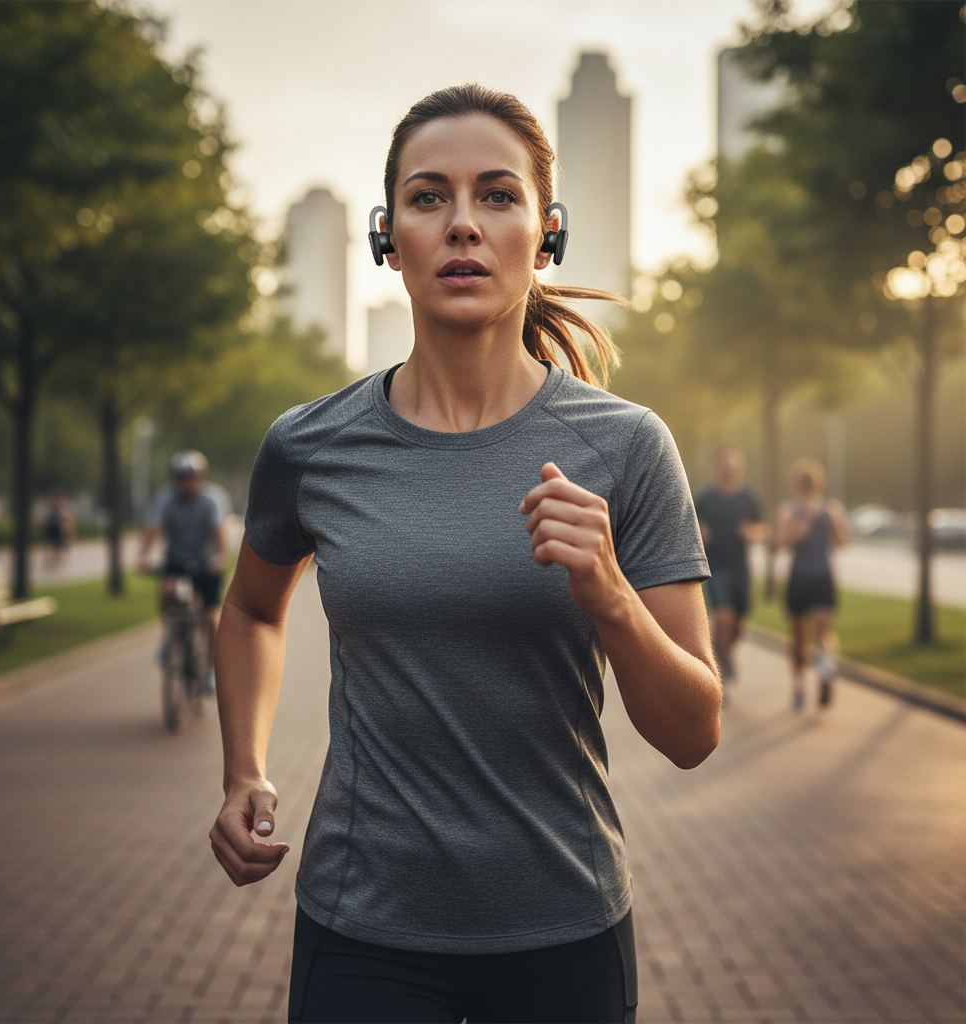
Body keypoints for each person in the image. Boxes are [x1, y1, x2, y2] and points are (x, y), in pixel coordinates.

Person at [209, 85, 721, 1024]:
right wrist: (244, 768)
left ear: (546, 230)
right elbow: (249, 609)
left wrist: (609, 594)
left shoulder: (629, 447)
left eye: (496, 195)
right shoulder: (309, 446)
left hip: (565, 927)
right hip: (361, 926)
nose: (462, 226)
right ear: (386, 237)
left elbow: (694, 733)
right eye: (428, 197)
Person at [137, 450, 226, 694]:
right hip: (177, 560)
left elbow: (218, 532)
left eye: (191, 477)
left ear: (201, 478)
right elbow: (153, 528)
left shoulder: (212, 499)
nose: (186, 483)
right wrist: (143, 556)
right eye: (181, 477)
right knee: (167, 591)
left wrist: (220, 556)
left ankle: (209, 671)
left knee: (211, 618)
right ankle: (171, 631)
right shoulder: (166, 499)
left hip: (206, 562)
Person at [775, 457, 850, 710]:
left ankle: (821, 678)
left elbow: (842, 541)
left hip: (820, 576)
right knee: (803, 638)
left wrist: (833, 528)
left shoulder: (831, 509)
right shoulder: (790, 510)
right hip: (802, 577)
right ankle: (802, 685)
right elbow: (778, 543)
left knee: (820, 632)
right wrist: (796, 533)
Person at [695, 445, 768, 701]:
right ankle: (720, 675)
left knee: (738, 629)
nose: (728, 466)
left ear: (740, 466)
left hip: (741, 570)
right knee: (723, 618)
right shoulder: (706, 498)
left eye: (732, 462)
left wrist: (753, 532)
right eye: (724, 461)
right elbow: (689, 527)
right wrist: (700, 534)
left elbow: (763, 528)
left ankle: (725, 657)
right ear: (718, 466)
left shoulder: (749, 498)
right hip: (716, 568)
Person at [42, 489, 76, 570]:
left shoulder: (63, 506)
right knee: (51, 543)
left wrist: (67, 526)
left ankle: (57, 559)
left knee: (59, 544)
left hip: (59, 527)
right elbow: (47, 516)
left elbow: (66, 517)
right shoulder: (51, 506)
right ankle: (52, 559)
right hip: (52, 527)